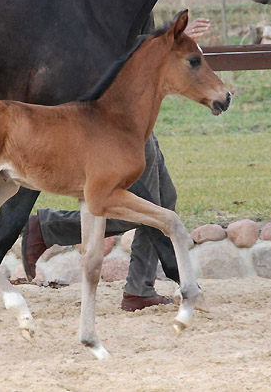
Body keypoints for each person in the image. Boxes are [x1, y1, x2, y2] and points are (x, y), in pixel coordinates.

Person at [22, 18, 211, 312]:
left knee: (164, 199)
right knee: (142, 205)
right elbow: (120, 39)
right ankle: (50, 228)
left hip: (136, 112)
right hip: (116, 117)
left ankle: (138, 287)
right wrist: (168, 39)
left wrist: (173, 38)